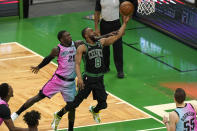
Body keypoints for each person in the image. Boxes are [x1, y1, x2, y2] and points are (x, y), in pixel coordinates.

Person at [51, 16, 130, 130]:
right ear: (86, 36)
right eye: (91, 31)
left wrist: (125, 23)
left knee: (103, 104)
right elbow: (77, 64)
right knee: (74, 104)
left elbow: (117, 36)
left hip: (99, 79)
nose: (94, 32)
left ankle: (94, 110)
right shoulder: (82, 47)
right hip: (88, 79)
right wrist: (79, 78)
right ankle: (58, 115)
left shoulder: (101, 42)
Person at [11, 30, 84, 131]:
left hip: (70, 82)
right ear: (61, 39)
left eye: (70, 35)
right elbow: (48, 58)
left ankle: (70, 129)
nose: (70, 36)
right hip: (57, 80)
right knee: (37, 97)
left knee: (72, 107)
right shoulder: (57, 49)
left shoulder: (77, 44)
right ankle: (16, 114)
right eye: (67, 36)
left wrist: (108, 35)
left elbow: (94, 40)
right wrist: (38, 67)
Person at [94, 0, 137, 78]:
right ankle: (106, 67)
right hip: (104, 24)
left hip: (116, 24)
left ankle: (120, 70)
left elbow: (124, 10)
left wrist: (123, 27)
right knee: (104, 48)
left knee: (118, 48)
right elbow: (97, 12)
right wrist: (96, 27)